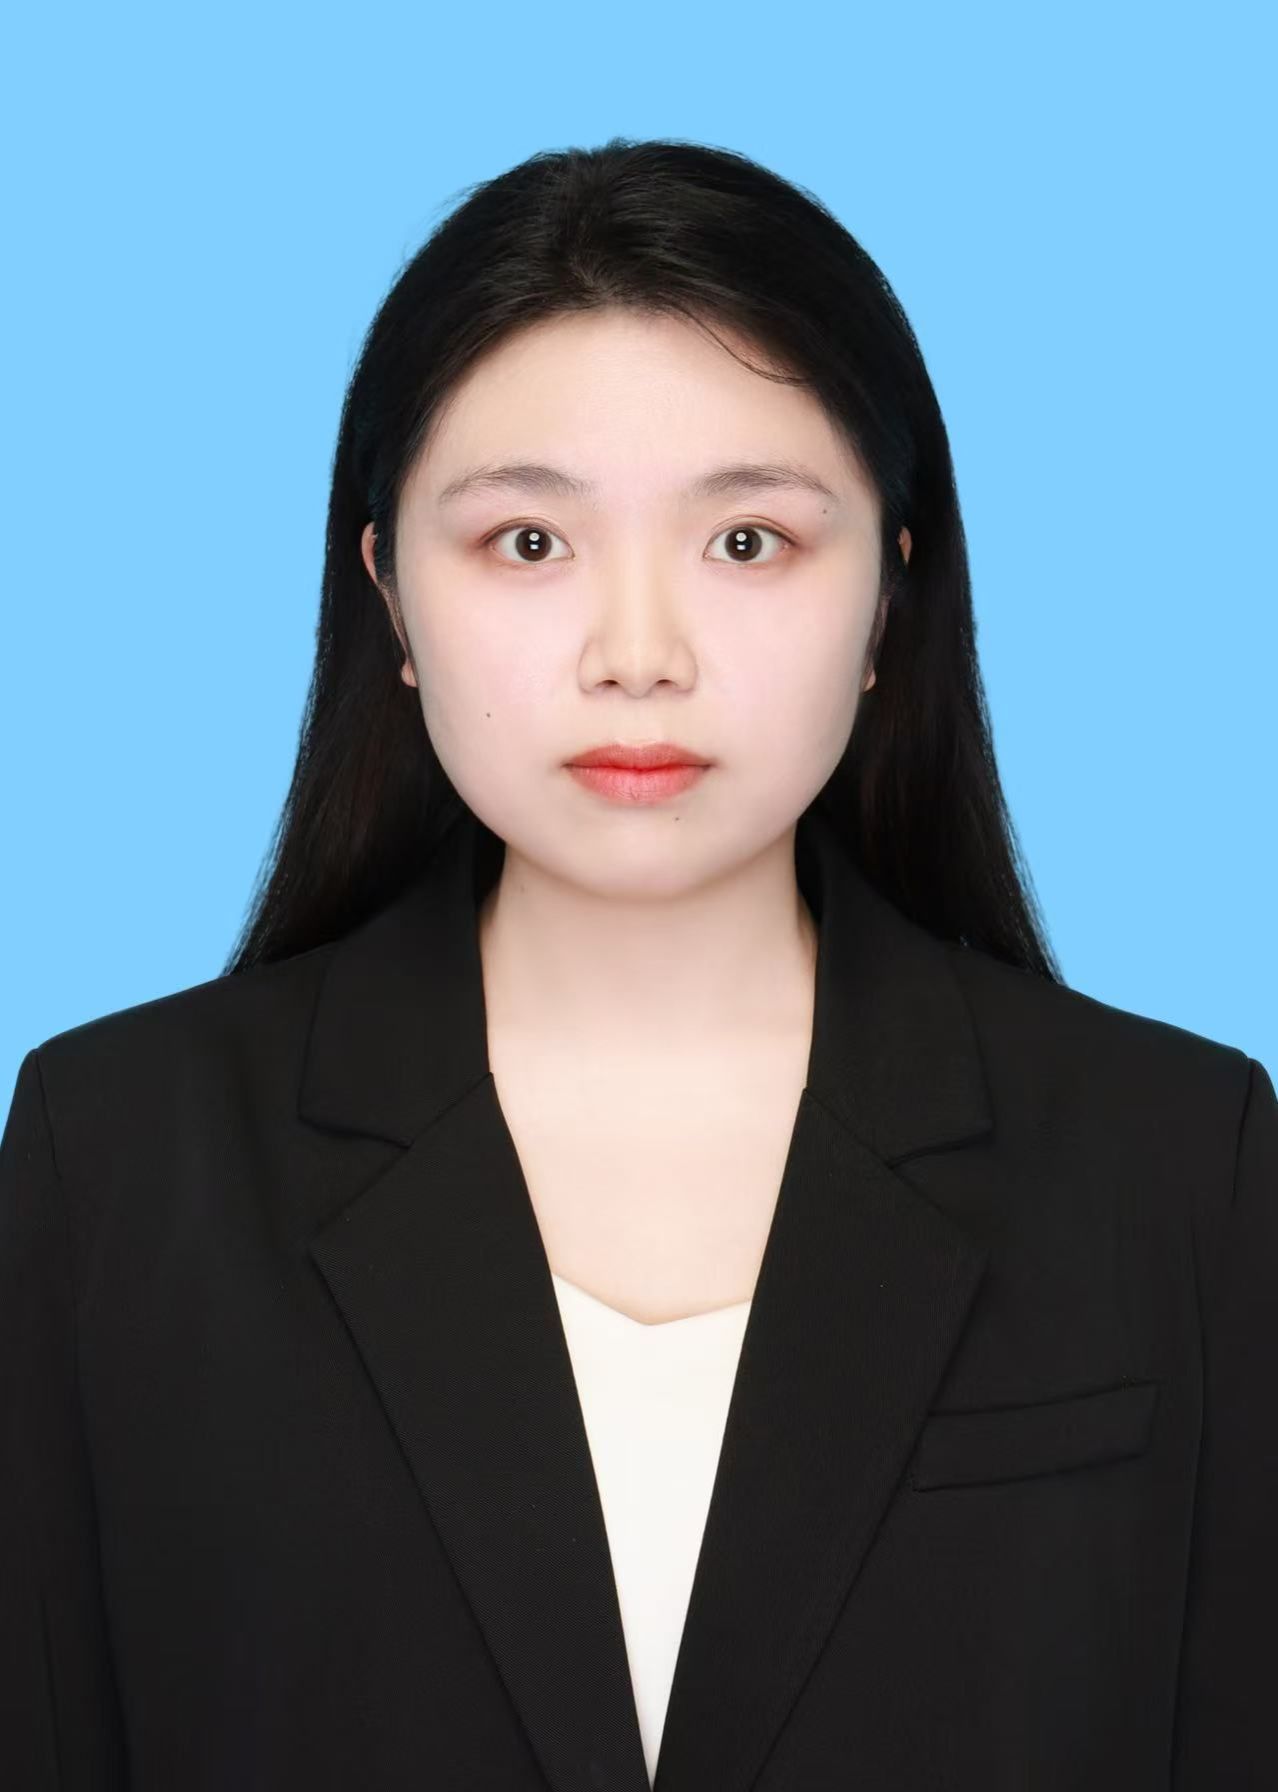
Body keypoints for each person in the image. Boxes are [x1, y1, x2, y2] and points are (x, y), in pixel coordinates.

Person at [2, 137, 1273, 1790]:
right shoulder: (119, 1155)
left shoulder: (1174, 1161)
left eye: (746, 541)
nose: (637, 657)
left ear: (890, 591)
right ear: (389, 592)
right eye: (528, 543)